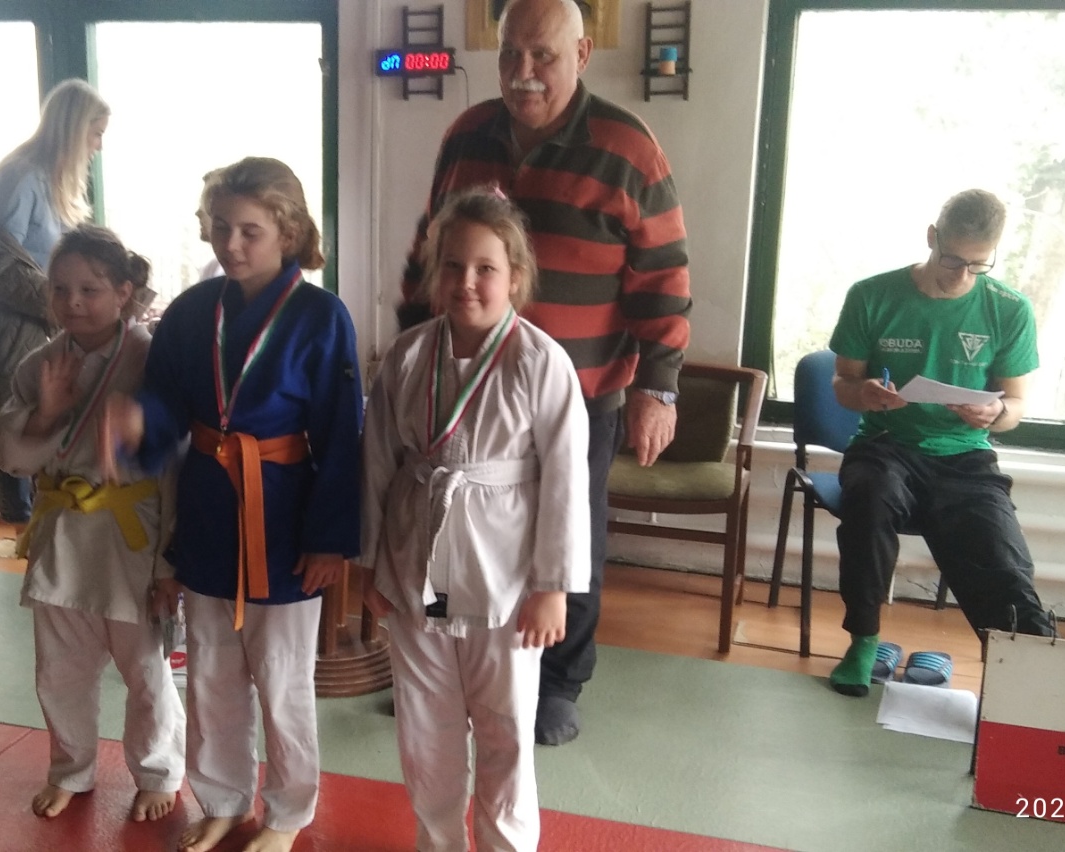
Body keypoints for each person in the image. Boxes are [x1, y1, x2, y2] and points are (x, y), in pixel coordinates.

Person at [399, 0, 692, 746]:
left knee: (570, 534)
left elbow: (663, 275)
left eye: (543, 56)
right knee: (459, 520)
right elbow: (430, 247)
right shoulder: (467, 134)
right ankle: (455, 662)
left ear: (583, 54)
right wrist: (408, 355)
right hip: (465, 388)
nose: (523, 72)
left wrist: (658, 388)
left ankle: (558, 682)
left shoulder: (627, 147)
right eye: (510, 55)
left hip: (581, 394)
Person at [110, 157, 360, 852]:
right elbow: (166, 403)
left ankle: (287, 812)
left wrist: (330, 539)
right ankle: (221, 797)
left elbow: (341, 433)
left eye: (250, 230)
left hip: (284, 516)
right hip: (209, 509)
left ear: (289, 232)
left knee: (282, 682)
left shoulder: (321, 316)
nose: (231, 244)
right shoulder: (194, 311)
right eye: (220, 227)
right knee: (212, 673)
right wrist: (140, 422)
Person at [359, 188, 589, 852]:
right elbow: (376, 463)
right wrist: (371, 564)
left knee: (505, 727)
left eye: (485, 268)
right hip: (418, 571)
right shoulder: (407, 355)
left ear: (515, 277)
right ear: (435, 274)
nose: (467, 282)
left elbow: (567, 481)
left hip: (504, 580)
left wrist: (552, 587)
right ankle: (438, 840)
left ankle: (505, 844)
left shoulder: (540, 361)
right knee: (425, 727)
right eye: (453, 266)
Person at [826, 189, 1056, 698]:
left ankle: (1029, 677)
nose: (962, 274)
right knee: (868, 500)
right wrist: (864, 394)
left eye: (978, 264)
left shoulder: (1009, 309)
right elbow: (843, 383)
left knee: (1002, 557)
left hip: (965, 456)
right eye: (952, 259)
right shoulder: (872, 295)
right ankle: (863, 642)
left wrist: (996, 412)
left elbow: (1016, 405)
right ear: (932, 237)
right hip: (886, 443)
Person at [0, 225, 184, 823]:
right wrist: (47, 413)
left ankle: (157, 771)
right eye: (60, 289)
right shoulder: (40, 364)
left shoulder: (153, 359)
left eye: (90, 290)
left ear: (124, 292)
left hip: (133, 536)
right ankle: (70, 768)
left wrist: (171, 564)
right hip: (62, 535)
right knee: (60, 669)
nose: (72, 302)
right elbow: (11, 458)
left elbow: (177, 467)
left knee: (145, 670)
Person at [0, 79, 109, 536]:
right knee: (18, 413)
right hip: (12, 320)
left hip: (47, 313)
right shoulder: (20, 177)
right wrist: (60, 304)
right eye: (95, 133)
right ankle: (21, 526)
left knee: (52, 408)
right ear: (73, 128)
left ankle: (48, 518)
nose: (98, 146)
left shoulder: (55, 176)